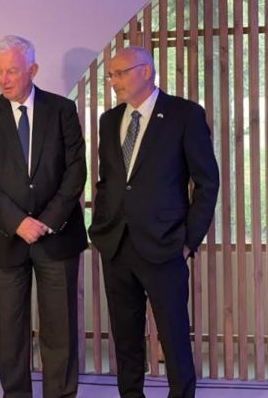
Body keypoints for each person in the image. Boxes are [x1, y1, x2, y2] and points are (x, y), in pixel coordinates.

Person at [88, 46, 219, 398]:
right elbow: (108, 182)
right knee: (125, 337)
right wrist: (100, 227)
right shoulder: (109, 121)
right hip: (116, 245)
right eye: (111, 75)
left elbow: (207, 183)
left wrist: (189, 241)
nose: (113, 81)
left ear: (146, 71)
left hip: (165, 244)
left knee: (173, 337)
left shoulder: (184, 115)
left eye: (120, 73)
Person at [0, 35, 87, 397]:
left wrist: (46, 220)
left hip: (57, 236)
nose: (4, 79)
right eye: (0, 71)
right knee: (9, 332)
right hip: (5, 238)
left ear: (32, 70)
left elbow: (75, 171)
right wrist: (17, 221)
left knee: (60, 330)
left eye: (13, 71)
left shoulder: (62, 110)